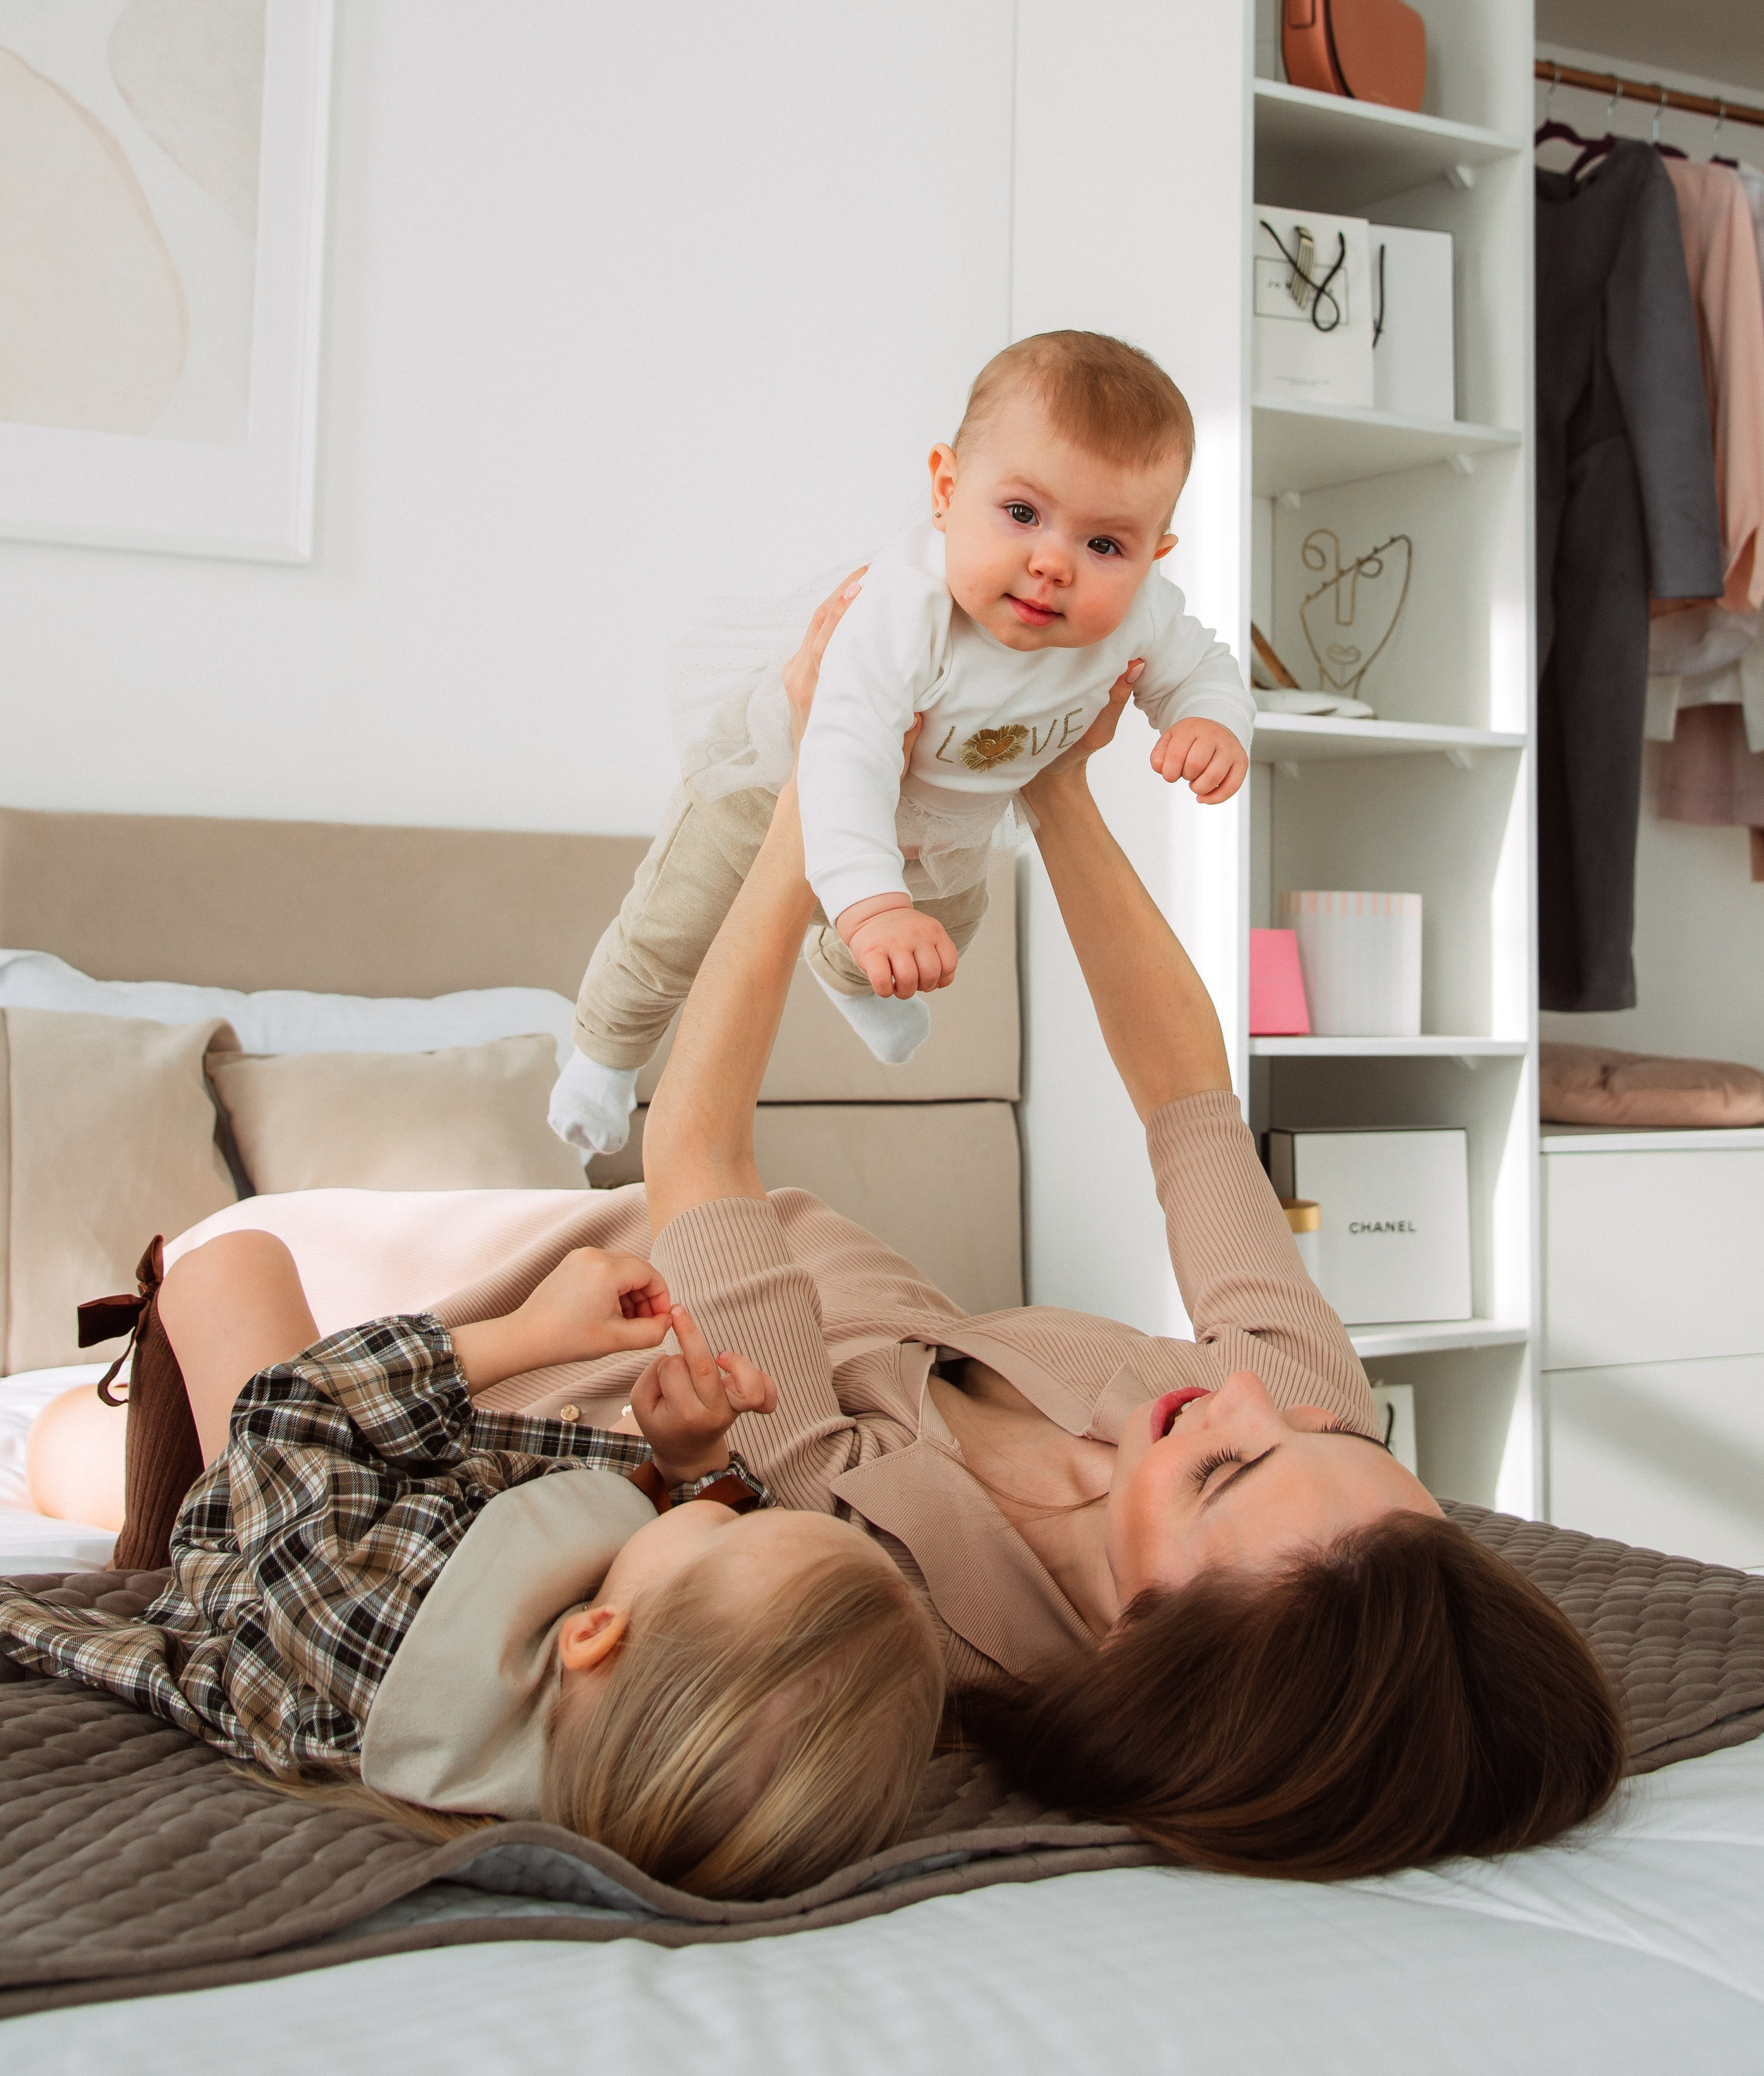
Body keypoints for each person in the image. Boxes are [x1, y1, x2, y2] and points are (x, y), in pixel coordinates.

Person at [446, 584, 1623, 1880]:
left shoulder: (867, 1583)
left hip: (571, 1312)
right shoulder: (1303, 1435)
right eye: (1330, 1433)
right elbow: (1189, 1102)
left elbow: (698, 1152)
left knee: (258, 1285)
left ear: (1144, 1643)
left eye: (1228, 1468)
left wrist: (812, 786)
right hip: (775, 1237)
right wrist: (1061, 782)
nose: (1238, 1393)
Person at [0, 1231, 943, 1899]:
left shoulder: (400, 1622)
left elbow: (284, 1418)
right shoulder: (612, 1736)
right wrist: (690, 1460)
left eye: (728, 1523)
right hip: (352, 1509)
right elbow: (706, 1608)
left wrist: (527, 1335)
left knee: (236, 1263)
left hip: (245, 1536)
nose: (734, 1501)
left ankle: (114, 1400)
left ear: (593, 1631)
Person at [551, 330, 1253, 1157]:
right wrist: (874, 903)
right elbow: (843, 757)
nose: (1053, 563)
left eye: (1105, 545)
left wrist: (1207, 721)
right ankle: (603, 1052)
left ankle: (851, 972)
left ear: (1153, 558)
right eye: (1022, 514)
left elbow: (1202, 665)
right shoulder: (904, 611)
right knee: (675, 929)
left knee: (947, 933)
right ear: (947, 491)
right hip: (783, 785)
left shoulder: (1143, 611)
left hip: (944, 820)